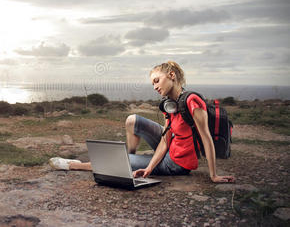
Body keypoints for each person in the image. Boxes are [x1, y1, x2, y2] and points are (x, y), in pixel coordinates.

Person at [49, 61, 236, 183]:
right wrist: (148, 167)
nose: (155, 87)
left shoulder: (191, 101)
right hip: (170, 148)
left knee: (115, 160)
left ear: (171, 75)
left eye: (157, 81)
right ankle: (129, 159)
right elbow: (165, 139)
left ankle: (73, 164)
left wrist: (213, 175)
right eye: (152, 83)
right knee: (132, 120)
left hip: (177, 163)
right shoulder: (168, 104)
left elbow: (206, 138)